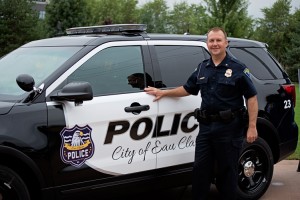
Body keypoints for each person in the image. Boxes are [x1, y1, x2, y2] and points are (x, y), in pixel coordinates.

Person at [144, 27, 258, 200]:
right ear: (207, 44)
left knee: (228, 172)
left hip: (229, 128)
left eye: (218, 40)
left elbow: (252, 97)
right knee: (200, 170)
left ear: (226, 43)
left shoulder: (238, 68)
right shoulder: (202, 67)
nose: (215, 44)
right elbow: (188, 88)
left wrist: (252, 126)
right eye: (211, 41)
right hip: (206, 128)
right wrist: (164, 93)